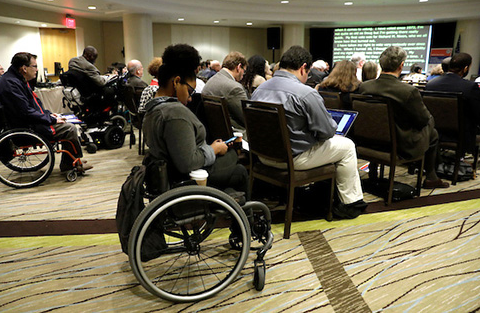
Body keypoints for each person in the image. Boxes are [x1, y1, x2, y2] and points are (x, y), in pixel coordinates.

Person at [252, 46, 366, 219]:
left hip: (264, 156)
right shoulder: (305, 93)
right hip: (292, 160)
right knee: (347, 145)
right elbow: (327, 131)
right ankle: (350, 203)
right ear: (303, 67)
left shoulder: (260, 89)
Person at [142, 44, 248, 197]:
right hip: (185, 179)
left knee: (234, 167)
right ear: (176, 82)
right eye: (190, 91)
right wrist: (214, 149)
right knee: (234, 158)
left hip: (170, 173)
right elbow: (188, 162)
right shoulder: (174, 113)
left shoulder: (154, 107)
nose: (191, 97)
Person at [359, 46, 449, 189]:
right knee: (433, 132)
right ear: (401, 65)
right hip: (400, 145)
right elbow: (423, 120)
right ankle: (431, 176)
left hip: (370, 142)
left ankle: (374, 170)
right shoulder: (408, 91)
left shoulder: (365, 87)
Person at [0, 52, 92, 172]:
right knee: (69, 129)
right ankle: (70, 164)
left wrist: (48, 115)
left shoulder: (14, 80)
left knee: (65, 120)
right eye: (34, 66)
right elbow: (26, 112)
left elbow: (32, 106)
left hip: (26, 123)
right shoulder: (11, 84)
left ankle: (74, 159)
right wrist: (51, 119)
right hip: (26, 128)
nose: (37, 69)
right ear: (24, 68)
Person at [425, 52, 480, 153]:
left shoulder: (431, 84)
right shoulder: (470, 87)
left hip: (433, 132)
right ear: (465, 69)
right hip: (461, 136)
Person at [202, 51, 248, 133]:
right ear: (239, 67)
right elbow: (247, 118)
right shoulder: (234, 88)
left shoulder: (211, 80)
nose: (243, 75)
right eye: (244, 70)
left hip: (213, 133)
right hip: (235, 135)